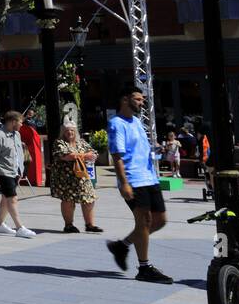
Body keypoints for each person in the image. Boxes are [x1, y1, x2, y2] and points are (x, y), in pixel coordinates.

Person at [106, 85, 171, 284]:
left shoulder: (136, 122)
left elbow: (139, 149)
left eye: (142, 100)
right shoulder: (116, 123)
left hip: (150, 177)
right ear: (125, 100)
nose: (142, 102)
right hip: (133, 179)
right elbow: (117, 156)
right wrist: (124, 183)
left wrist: (158, 148)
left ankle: (122, 245)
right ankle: (144, 268)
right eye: (138, 99)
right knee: (143, 223)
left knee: (160, 220)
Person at [0, 111, 36, 238]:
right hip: (3, 172)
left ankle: (0, 225)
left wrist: (20, 170)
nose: (22, 125)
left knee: (5, 198)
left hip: (14, 171)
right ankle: (20, 227)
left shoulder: (17, 135)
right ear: (13, 122)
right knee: (12, 198)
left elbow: (19, 153)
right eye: (20, 122)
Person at [50, 123, 100, 233]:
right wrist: (85, 156)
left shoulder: (81, 142)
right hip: (65, 178)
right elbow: (66, 156)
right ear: (63, 132)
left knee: (89, 198)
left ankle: (90, 225)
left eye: (72, 130)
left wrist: (92, 156)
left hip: (82, 176)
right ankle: (68, 225)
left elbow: (93, 152)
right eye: (67, 130)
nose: (70, 132)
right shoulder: (59, 142)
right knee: (68, 200)